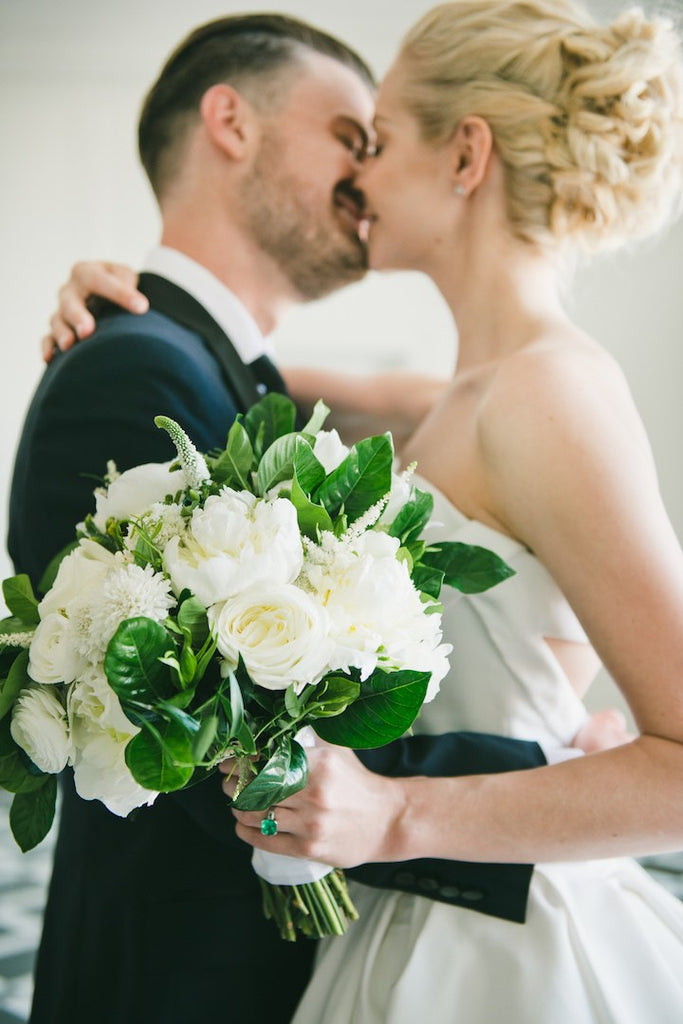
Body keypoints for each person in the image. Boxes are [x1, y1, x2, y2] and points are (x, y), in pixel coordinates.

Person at [50, 0, 683, 1019]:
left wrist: (394, 814)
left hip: (499, 945)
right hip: (393, 932)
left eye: (376, 142)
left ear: (464, 157)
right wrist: (124, 296)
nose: (359, 180)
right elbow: (237, 380)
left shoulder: (546, 393)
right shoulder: (460, 397)